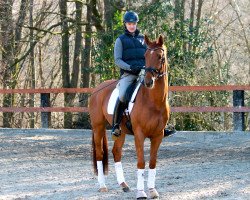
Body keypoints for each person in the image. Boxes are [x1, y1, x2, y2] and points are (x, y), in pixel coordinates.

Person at [112, 11, 175, 138]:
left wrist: (146, 68)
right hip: (128, 74)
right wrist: (130, 67)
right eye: (129, 24)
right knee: (123, 94)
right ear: (125, 24)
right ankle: (116, 124)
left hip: (144, 73)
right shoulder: (121, 40)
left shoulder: (143, 39)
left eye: (134, 23)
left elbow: (149, 57)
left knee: (159, 93)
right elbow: (117, 60)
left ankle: (162, 125)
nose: (132, 26)